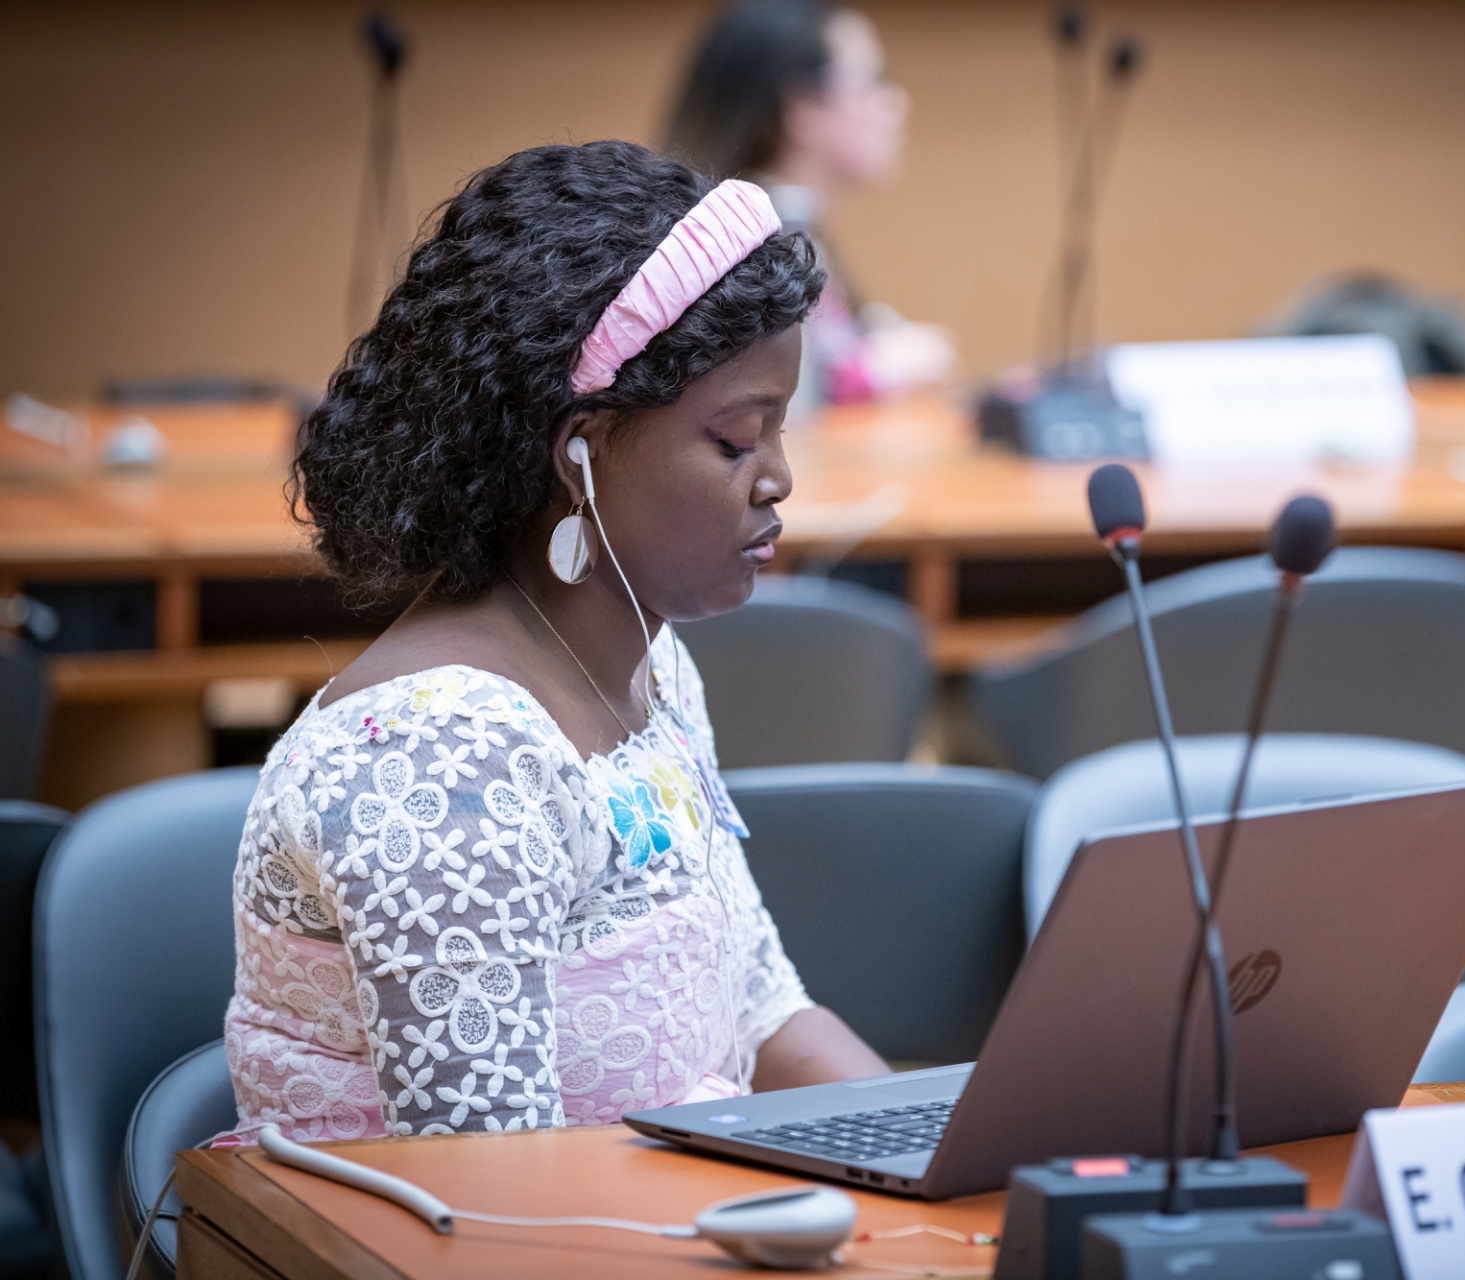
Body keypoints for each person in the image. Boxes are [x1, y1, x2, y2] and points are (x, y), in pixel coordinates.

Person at [223, 141, 889, 1142]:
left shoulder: (647, 662)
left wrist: (952, 1164)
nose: (778, 478)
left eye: (780, 429)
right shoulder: (441, 757)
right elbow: (498, 1200)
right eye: (735, 438)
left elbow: (762, 1011)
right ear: (577, 453)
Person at [665, 0, 952, 417]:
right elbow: (778, 400)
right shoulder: (743, 246)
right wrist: (886, 367)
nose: (897, 101)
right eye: (874, 80)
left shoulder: (793, 226)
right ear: (803, 109)